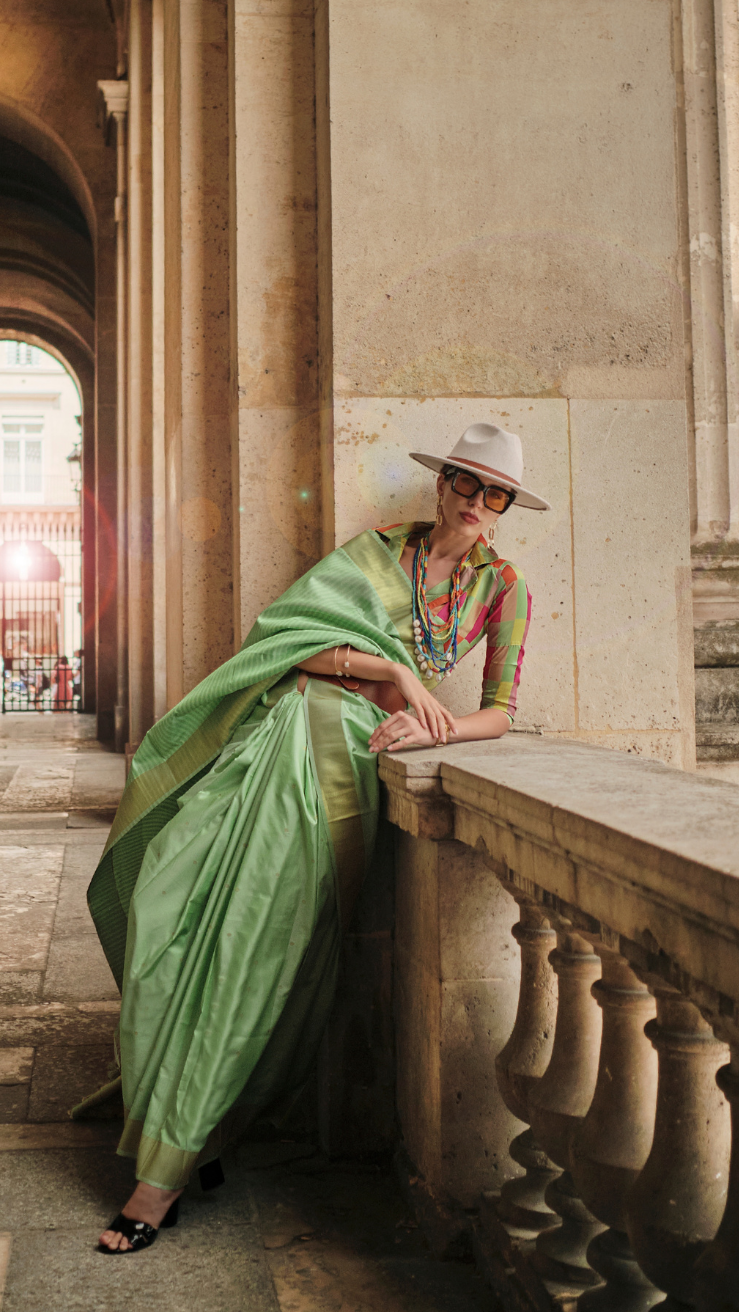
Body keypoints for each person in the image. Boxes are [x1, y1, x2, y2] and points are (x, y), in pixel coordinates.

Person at [84, 422, 550, 1254]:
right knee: (172, 914)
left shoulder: (503, 590)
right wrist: (397, 671)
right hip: (276, 743)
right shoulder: (375, 554)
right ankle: (203, 1137)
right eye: (466, 484)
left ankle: (162, 1175)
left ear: (507, 506)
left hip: (339, 778)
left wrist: (432, 730)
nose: (478, 503)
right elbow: (288, 653)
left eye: (496, 494)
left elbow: (500, 713)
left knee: (255, 952)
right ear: (441, 483)